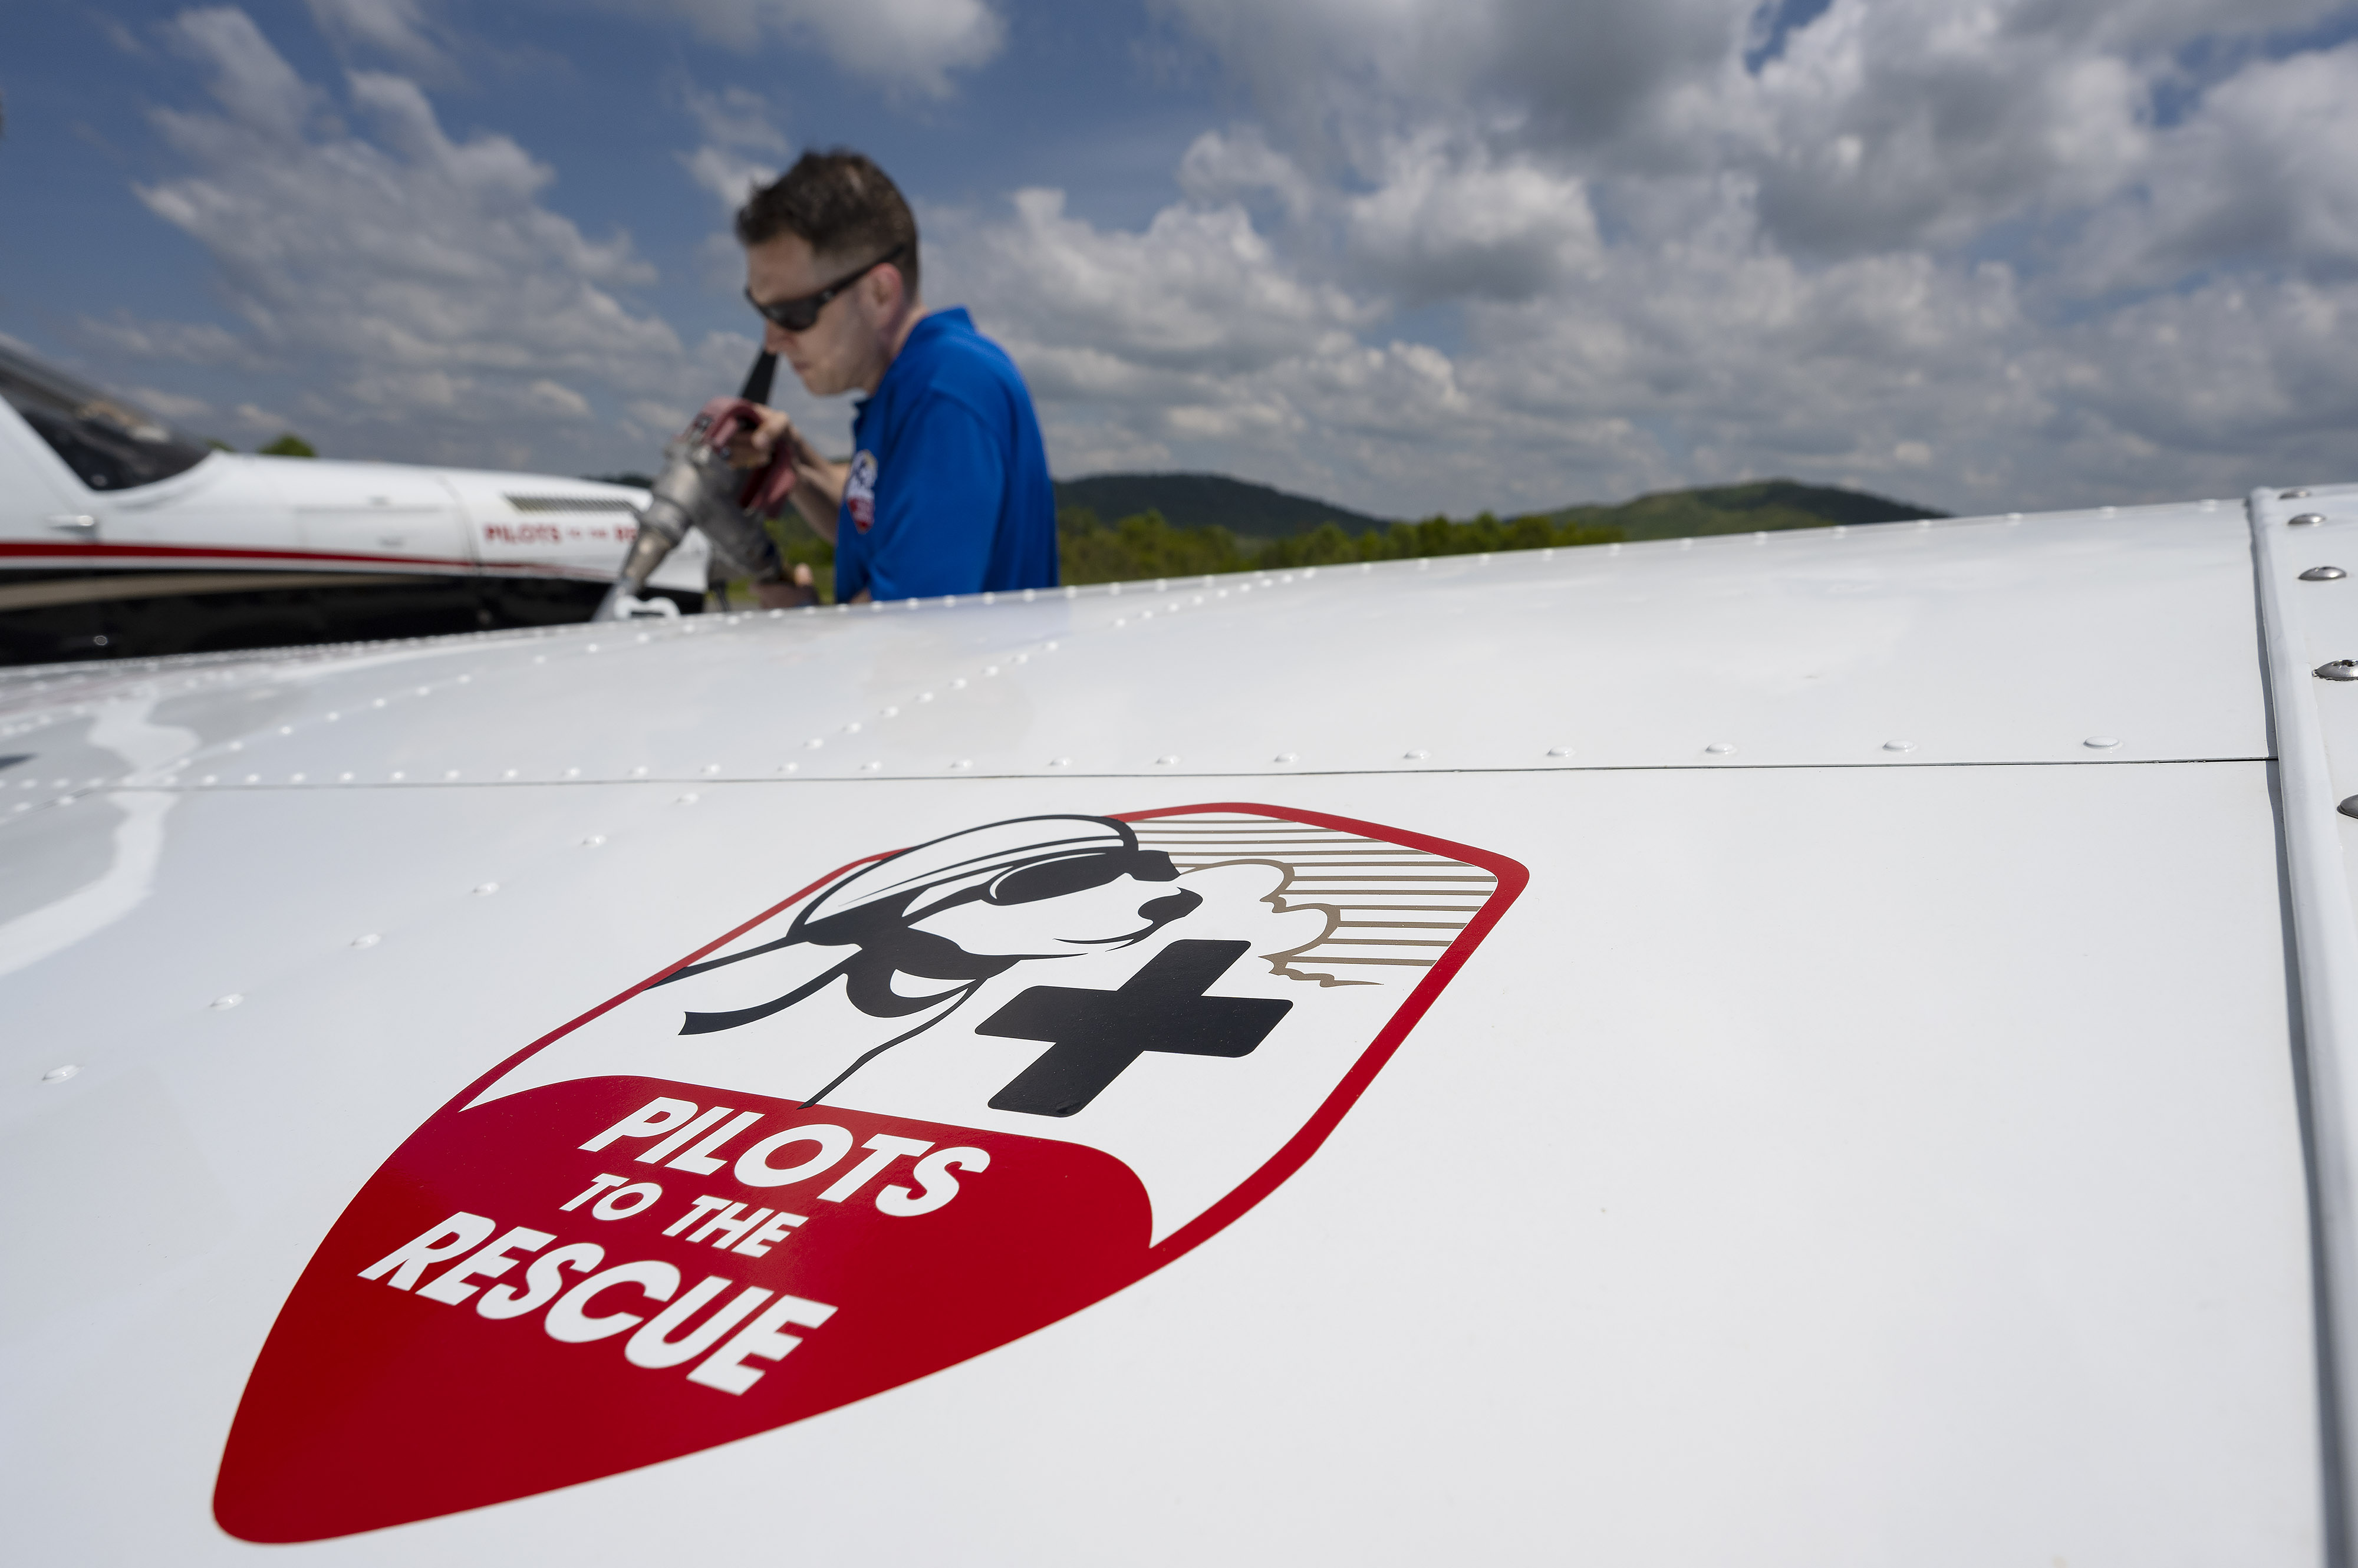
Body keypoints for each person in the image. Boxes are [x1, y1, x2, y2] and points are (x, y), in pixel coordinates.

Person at [729, 150, 1058, 604]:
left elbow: (910, 631)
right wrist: (796, 465)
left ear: (880, 293)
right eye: (762, 310)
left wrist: (802, 628)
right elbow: (872, 523)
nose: (771, 340)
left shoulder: (946, 392)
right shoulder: (906, 389)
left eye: (792, 313)